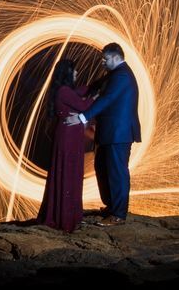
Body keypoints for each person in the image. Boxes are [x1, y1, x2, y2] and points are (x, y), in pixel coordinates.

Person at [64, 42, 140, 225]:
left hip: (118, 134)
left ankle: (118, 215)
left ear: (116, 57)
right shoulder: (112, 75)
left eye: (105, 59)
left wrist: (82, 118)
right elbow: (93, 88)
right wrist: (64, 90)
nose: (102, 62)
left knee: (116, 173)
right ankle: (112, 207)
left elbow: (107, 99)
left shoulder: (122, 76)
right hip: (108, 133)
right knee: (102, 169)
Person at [35, 58, 94, 232]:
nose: (77, 73)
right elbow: (83, 104)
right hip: (68, 138)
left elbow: (80, 92)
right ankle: (65, 218)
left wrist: (94, 87)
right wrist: (96, 97)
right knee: (68, 173)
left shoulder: (66, 91)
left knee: (71, 173)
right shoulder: (64, 91)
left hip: (71, 137)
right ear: (67, 73)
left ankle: (68, 215)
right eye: (74, 70)